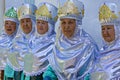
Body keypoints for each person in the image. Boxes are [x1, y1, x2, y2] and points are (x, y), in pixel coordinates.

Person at [43, 0, 98, 80]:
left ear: (77, 24)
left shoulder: (88, 45)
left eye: (70, 22)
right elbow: (53, 68)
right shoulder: (58, 43)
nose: (66, 26)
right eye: (63, 22)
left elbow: (90, 72)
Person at [23, 2, 58, 80]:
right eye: (38, 22)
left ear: (50, 25)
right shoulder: (32, 40)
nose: (40, 26)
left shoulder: (55, 42)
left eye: (43, 23)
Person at [90, 2, 120, 80]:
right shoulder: (100, 53)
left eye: (109, 28)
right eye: (103, 29)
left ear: (117, 30)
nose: (105, 32)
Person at [11, 3, 37, 80]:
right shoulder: (15, 43)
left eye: (28, 21)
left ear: (34, 22)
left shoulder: (38, 43)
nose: (25, 24)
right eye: (22, 21)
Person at [0, 7, 19, 80]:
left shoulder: (20, 43)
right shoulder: (1, 40)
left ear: (17, 25)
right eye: (6, 23)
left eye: (12, 24)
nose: (8, 26)